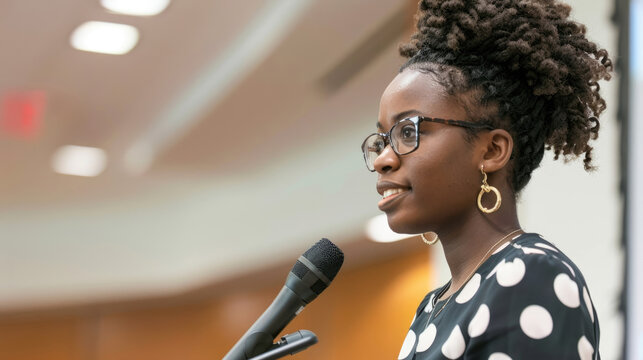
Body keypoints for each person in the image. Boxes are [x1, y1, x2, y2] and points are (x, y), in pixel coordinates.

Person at [360, 0, 612, 358]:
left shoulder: (529, 275)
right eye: (383, 139)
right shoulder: (433, 307)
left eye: (408, 131)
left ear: (492, 150)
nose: (384, 159)